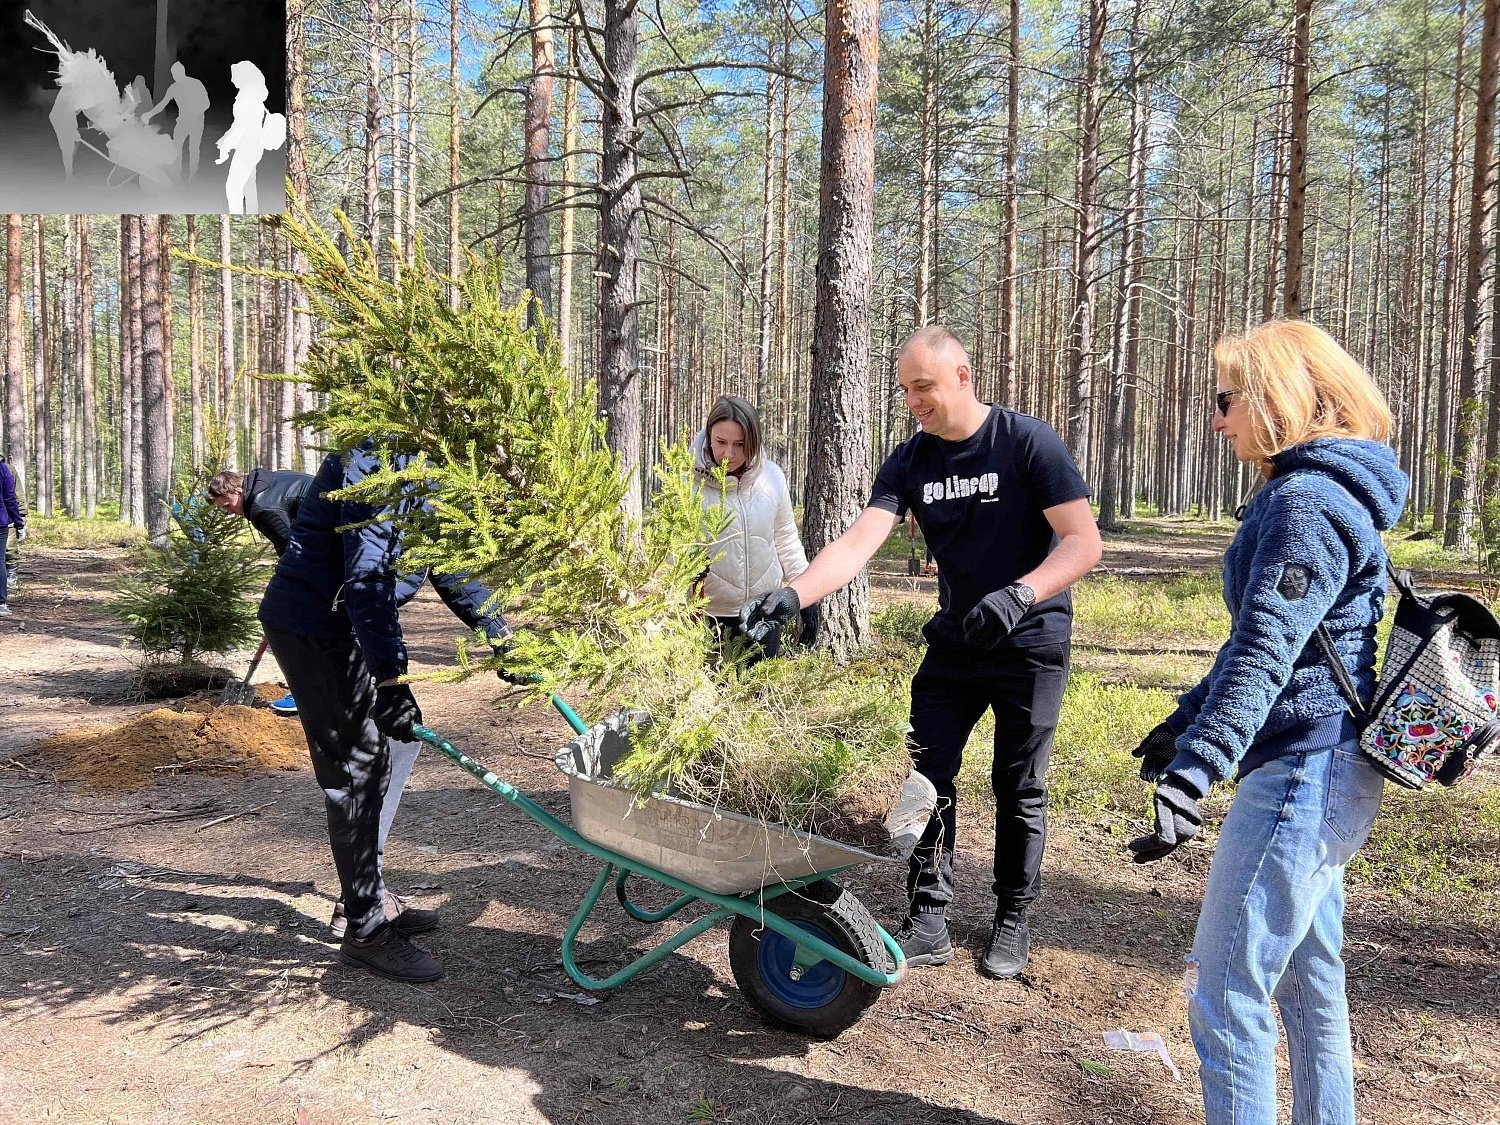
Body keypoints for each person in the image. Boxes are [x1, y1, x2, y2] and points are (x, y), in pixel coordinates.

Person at [741, 325, 1102, 980]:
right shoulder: (911, 462)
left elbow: (1083, 542)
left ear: (962, 375)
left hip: (1030, 641)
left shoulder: (1026, 442)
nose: (914, 400)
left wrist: (1021, 594)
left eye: (924, 386)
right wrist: (792, 596)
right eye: (906, 389)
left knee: (1019, 784)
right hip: (957, 642)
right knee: (925, 774)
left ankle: (1013, 915)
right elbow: (856, 545)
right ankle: (928, 912)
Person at [1126, 320, 1407, 1124]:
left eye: (1226, 399)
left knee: (1225, 997)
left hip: (1300, 773)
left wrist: (1198, 767)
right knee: (1308, 981)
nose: (1217, 419)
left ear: (1277, 394)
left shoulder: (1305, 502)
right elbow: (1270, 635)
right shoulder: (1321, 490)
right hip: (1327, 765)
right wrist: (1185, 724)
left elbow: (1267, 648)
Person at [259, 442, 515, 983]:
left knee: (389, 752)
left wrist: (499, 632)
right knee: (355, 769)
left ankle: (368, 897)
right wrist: (391, 681)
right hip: (313, 627)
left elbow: (446, 561)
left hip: (342, 624)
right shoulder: (370, 462)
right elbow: (367, 581)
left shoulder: (429, 463)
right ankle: (366, 930)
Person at [693, 395, 808, 660]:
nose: (728, 454)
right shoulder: (688, 484)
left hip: (762, 612)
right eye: (721, 442)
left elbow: (786, 539)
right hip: (708, 617)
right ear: (709, 435)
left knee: (758, 697)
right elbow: (674, 551)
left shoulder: (772, 478)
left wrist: (805, 596)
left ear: (753, 442)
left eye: (740, 444)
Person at [207, 467, 315, 714]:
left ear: (236, 490)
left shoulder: (263, 508)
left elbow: (292, 551)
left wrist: (288, 590)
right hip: (331, 544)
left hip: (329, 551)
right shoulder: (266, 482)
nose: (229, 512)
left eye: (227, 506)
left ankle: (305, 693)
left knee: (286, 624)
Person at [216, 61, 281, 214]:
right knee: (248, 187)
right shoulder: (253, 95)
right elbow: (238, 124)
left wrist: (226, 147)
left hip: (248, 147)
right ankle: (254, 214)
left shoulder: (247, 96)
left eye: (235, 76)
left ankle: (236, 215)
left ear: (244, 76)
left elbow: (241, 126)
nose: (232, 80)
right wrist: (225, 139)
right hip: (253, 146)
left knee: (232, 187)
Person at [144, 61, 210, 180]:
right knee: (176, 147)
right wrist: (149, 114)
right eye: (173, 74)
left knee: (194, 148)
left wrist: (196, 112)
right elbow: (163, 103)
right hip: (182, 122)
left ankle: (192, 175)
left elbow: (206, 103)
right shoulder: (174, 87)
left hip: (197, 121)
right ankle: (176, 174)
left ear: (182, 72)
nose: (175, 76)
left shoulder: (195, 83)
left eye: (176, 73)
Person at [0, 453, 27, 619]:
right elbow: (10, 498)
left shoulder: (7, 469)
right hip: (2, 520)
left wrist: (21, 516)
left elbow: (16, 496)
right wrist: (19, 523)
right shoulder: (3, 470)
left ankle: (12, 574)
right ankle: (1, 603)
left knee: (8, 553)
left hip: (4, 521)